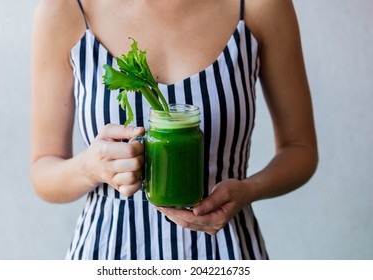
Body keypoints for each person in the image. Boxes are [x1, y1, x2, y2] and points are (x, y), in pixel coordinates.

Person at [30, 0, 318, 260]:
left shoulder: (260, 6)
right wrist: (90, 167)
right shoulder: (65, 10)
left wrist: (248, 190)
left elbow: (300, 149)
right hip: (107, 252)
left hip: (226, 251)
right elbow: (43, 170)